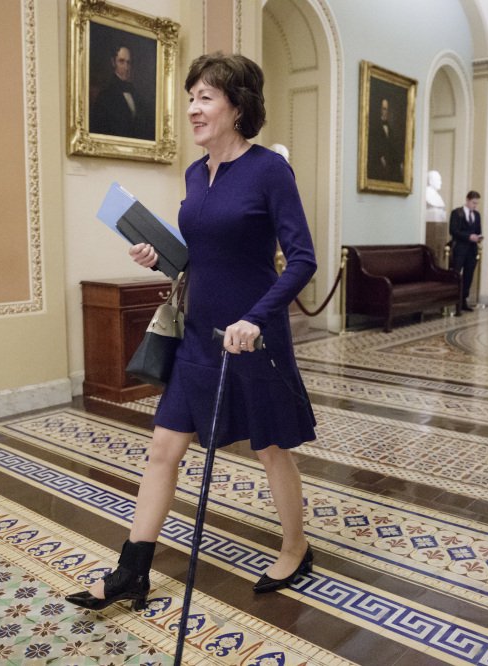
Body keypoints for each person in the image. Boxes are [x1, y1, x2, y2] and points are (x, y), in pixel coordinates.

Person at [66, 53, 318, 613]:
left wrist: (255, 319)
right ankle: (131, 571)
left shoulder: (269, 170)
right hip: (199, 335)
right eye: (191, 97)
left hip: (253, 335)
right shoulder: (193, 174)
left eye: (205, 97)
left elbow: (302, 260)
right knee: (162, 448)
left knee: (271, 448)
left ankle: (297, 547)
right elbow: (200, 258)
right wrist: (162, 258)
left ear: (237, 106)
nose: (192, 109)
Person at [90, 45, 153, 140]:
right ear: (113, 62)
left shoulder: (137, 96)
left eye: (128, 62)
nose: (126, 68)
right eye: (121, 61)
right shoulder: (104, 97)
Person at [448, 191, 483, 311]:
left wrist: (478, 237)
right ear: (467, 200)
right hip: (459, 249)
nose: (475, 205)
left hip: (472, 250)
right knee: (456, 274)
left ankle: (463, 300)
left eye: (477, 203)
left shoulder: (477, 215)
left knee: (469, 275)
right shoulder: (457, 213)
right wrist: (468, 237)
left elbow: (478, 230)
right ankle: (454, 299)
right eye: (473, 203)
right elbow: (453, 231)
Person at [367, 98, 401, 181]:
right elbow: (373, 145)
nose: (386, 112)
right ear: (380, 110)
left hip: (390, 164)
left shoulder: (390, 128)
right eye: (384, 109)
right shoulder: (374, 126)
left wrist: (400, 162)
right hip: (378, 164)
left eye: (387, 109)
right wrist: (381, 157)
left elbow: (393, 146)